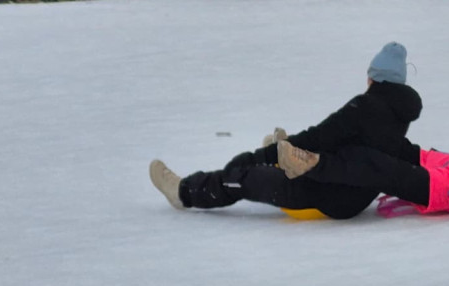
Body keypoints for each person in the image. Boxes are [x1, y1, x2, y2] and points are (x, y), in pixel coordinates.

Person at [148, 42, 423, 219]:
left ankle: (184, 192)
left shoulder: (365, 105)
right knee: (287, 158)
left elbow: (318, 138)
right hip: (354, 199)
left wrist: (256, 158)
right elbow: (354, 147)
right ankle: (279, 152)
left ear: (372, 77)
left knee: (244, 178)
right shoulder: (399, 114)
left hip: (324, 194)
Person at [276, 81, 449, 215]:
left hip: (446, 189)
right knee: (392, 148)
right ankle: (297, 151)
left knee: (374, 163)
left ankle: (311, 163)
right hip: (448, 168)